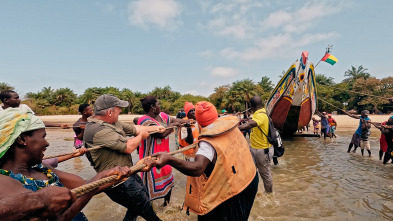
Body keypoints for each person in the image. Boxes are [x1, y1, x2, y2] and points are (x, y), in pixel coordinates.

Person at [0, 108, 143, 220]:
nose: (47, 143)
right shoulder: (4, 183)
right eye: (43, 137)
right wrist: (96, 183)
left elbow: (85, 185)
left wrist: (124, 172)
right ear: (21, 139)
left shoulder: (42, 169)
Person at [152, 101, 258, 220]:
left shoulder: (208, 144)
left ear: (199, 119)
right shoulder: (230, 126)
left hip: (232, 188)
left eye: (194, 111)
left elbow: (198, 168)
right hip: (248, 179)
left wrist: (169, 159)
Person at [83, 94, 165, 221]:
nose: (121, 110)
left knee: (138, 205)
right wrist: (141, 137)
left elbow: (134, 129)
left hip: (127, 173)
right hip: (116, 182)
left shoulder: (112, 122)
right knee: (149, 214)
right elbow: (128, 147)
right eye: (118, 108)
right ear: (110, 112)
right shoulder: (97, 129)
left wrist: (155, 128)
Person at [138, 96, 189, 206]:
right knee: (147, 188)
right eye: (158, 104)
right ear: (152, 107)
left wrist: (188, 121)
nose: (159, 106)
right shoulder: (144, 121)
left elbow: (175, 120)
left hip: (165, 156)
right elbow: (161, 134)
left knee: (168, 182)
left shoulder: (163, 116)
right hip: (150, 158)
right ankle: (148, 211)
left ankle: (166, 206)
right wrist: (173, 126)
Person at [238, 95, 273, 193]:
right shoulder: (259, 113)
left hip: (262, 150)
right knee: (250, 172)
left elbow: (250, 124)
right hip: (254, 148)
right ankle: (253, 192)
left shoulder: (261, 114)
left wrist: (235, 128)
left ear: (251, 107)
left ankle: (269, 195)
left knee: (265, 174)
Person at [0, 90, 69, 128]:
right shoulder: (1, 111)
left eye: (18, 97)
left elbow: (36, 121)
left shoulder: (24, 108)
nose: (19, 100)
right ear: (6, 100)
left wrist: (59, 125)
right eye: (16, 98)